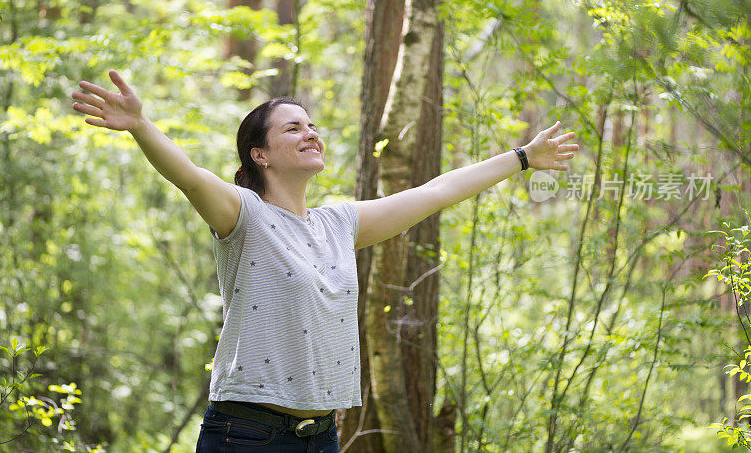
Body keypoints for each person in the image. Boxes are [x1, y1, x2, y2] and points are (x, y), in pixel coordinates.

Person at [71, 70, 579, 452]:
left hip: (320, 435)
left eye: (312, 126)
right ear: (260, 155)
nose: (311, 133)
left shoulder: (339, 224)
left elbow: (437, 190)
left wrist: (522, 157)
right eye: (293, 129)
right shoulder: (243, 215)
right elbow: (190, 176)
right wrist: (140, 126)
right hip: (247, 432)